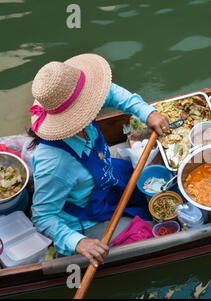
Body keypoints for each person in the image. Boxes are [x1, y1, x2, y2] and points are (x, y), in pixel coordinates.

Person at [28, 53, 169, 267]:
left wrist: (147, 113)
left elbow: (113, 93)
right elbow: (42, 216)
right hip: (87, 214)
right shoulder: (55, 163)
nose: (94, 103)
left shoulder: (82, 107)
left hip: (107, 178)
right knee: (148, 232)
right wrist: (79, 242)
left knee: (157, 188)